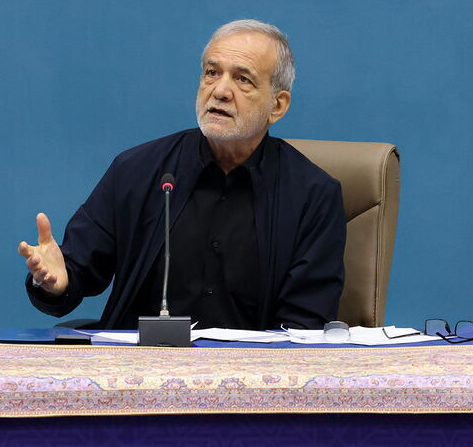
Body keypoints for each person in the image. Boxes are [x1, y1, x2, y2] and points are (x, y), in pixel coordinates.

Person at [18, 20, 346, 329]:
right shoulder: (137, 171)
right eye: (212, 73)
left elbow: (304, 326)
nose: (220, 91)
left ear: (278, 105)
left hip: (254, 368)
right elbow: (74, 273)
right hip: (139, 365)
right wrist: (54, 281)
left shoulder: (313, 196)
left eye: (242, 79)